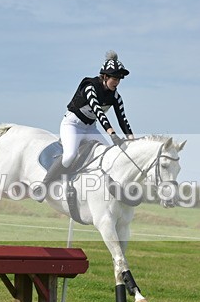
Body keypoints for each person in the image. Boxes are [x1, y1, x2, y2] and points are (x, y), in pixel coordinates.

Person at [32, 50, 135, 201]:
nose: (117, 82)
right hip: (72, 125)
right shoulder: (90, 86)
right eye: (115, 78)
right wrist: (112, 134)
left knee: (108, 156)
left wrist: (132, 140)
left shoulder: (116, 97)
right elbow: (98, 112)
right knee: (69, 156)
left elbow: (123, 119)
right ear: (105, 76)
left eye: (119, 79)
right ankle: (43, 187)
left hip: (89, 128)